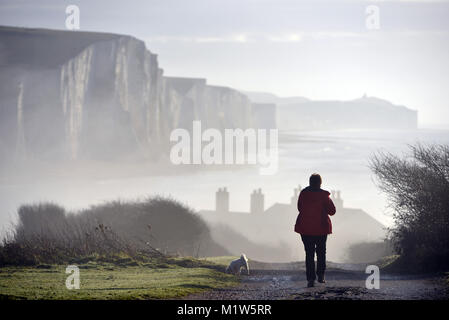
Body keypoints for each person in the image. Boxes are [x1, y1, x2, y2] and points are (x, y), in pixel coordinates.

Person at [294, 173, 336, 287]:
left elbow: (299, 208)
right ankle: (321, 276)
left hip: (305, 228)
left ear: (310, 182)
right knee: (321, 252)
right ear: (320, 183)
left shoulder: (303, 194)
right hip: (321, 228)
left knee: (309, 253)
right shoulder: (324, 196)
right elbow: (332, 211)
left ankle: (310, 279)